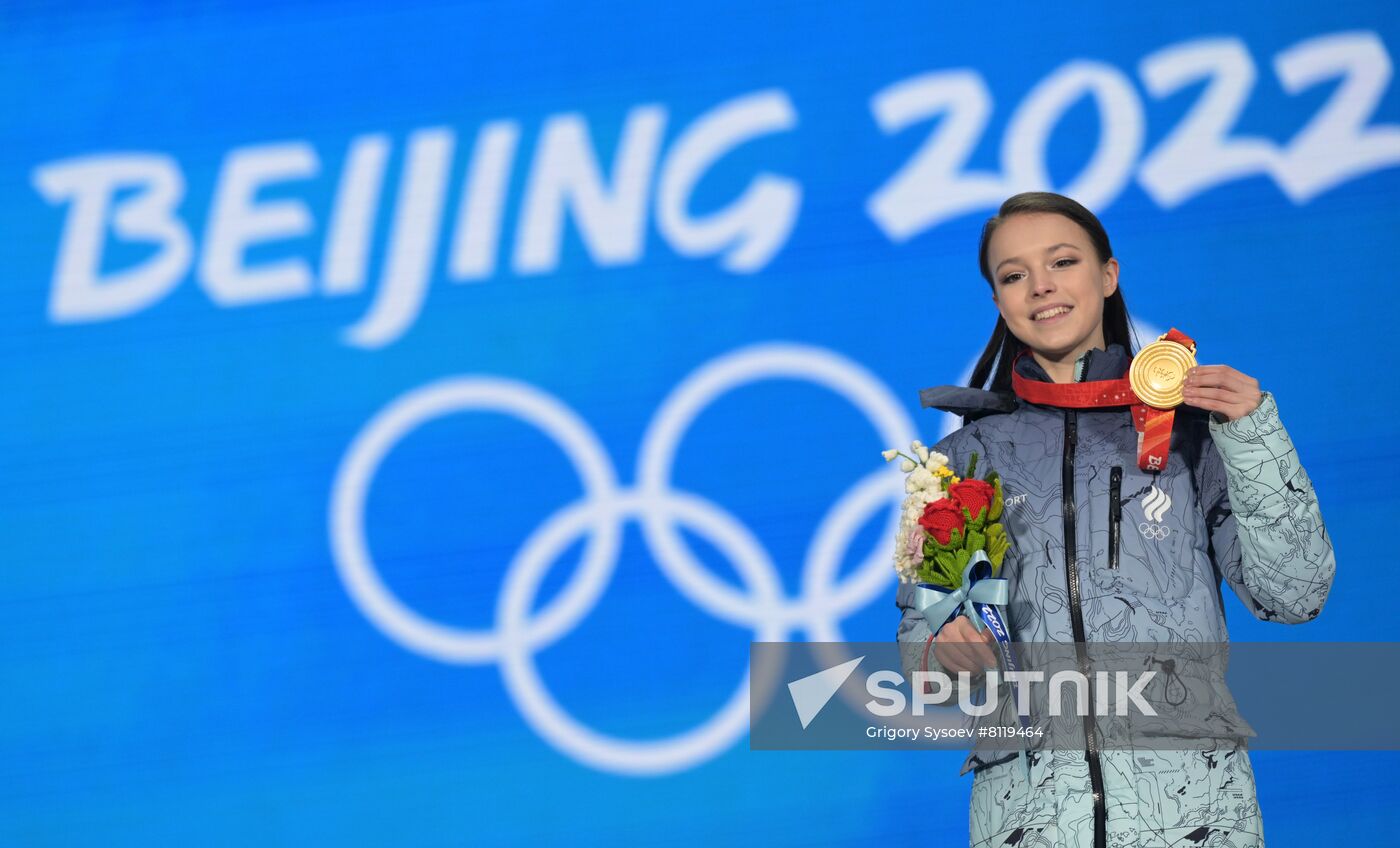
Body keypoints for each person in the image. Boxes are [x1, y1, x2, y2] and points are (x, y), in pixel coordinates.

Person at [894, 191, 1336, 847]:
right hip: (1028, 819)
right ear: (997, 300)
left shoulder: (1195, 436)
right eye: (1013, 275)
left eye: (1063, 262)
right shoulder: (954, 463)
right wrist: (944, 647)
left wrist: (1256, 437)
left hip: (1193, 816)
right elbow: (917, 645)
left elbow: (1295, 595)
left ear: (1108, 274)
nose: (1041, 286)